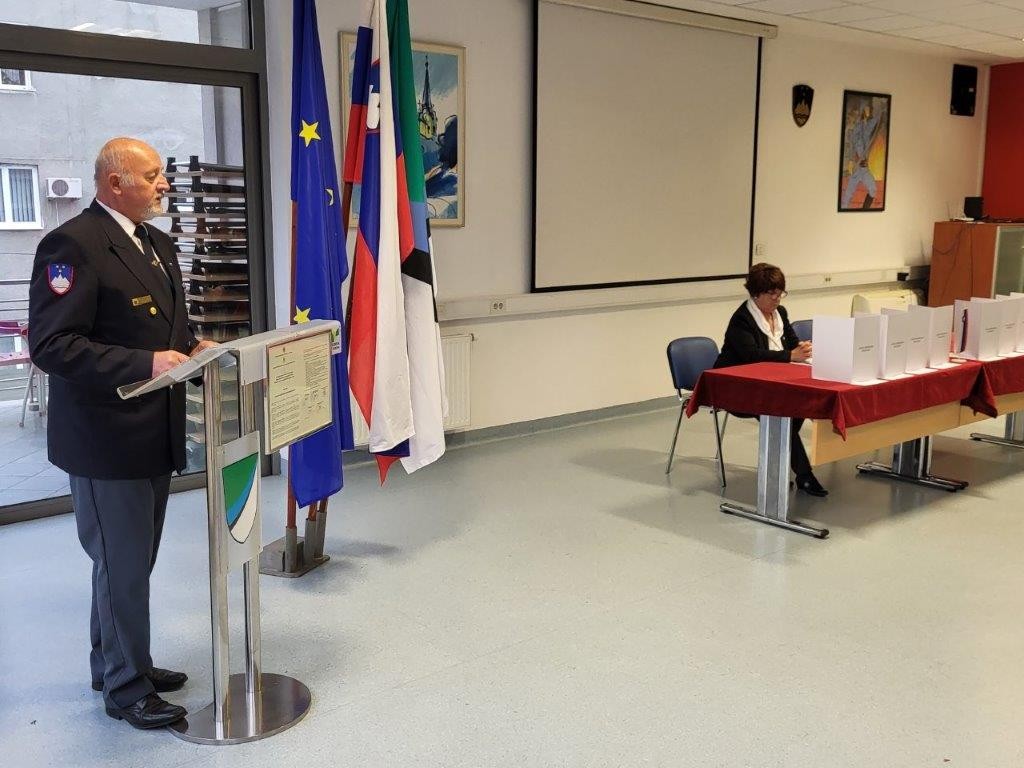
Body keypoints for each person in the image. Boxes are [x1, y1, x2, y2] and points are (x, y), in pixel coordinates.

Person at [29, 137, 216, 729]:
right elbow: (53, 345)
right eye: (153, 174)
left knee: (129, 565)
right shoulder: (73, 245)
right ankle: (126, 689)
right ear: (116, 183)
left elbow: (160, 328)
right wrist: (145, 364)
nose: (164, 184)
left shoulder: (156, 242)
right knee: (123, 568)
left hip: (153, 432)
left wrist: (193, 347)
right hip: (106, 440)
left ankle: (117, 663)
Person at [715, 263, 828, 497]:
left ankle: (780, 469)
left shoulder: (781, 313)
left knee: (795, 409)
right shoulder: (742, 319)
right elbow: (752, 355)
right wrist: (790, 356)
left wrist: (802, 348)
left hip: (773, 383)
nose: (777, 299)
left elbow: (792, 343)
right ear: (756, 294)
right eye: (771, 294)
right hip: (736, 386)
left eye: (780, 293)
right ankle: (804, 476)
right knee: (781, 414)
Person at [841, 103, 882, 210]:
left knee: (873, 190)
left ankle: (865, 210)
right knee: (847, 196)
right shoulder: (857, 128)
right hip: (856, 167)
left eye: (869, 110)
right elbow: (852, 144)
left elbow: (875, 121)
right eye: (866, 110)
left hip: (864, 168)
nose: (868, 112)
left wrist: (881, 111)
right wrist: (851, 161)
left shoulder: (868, 126)